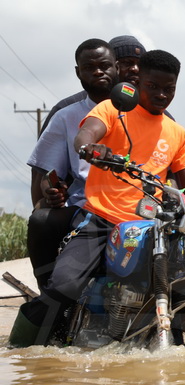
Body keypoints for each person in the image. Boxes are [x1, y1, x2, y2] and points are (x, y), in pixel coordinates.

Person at [9, 50, 185, 347]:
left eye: (169, 88)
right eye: (154, 86)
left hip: (150, 226)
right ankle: (21, 349)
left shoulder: (178, 133)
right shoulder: (113, 109)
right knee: (63, 286)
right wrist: (91, 149)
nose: (162, 94)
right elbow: (85, 135)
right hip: (100, 217)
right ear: (138, 83)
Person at [26, 38, 117, 289]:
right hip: (85, 207)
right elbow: (45, 171)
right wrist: (50, 191)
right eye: (89, 67)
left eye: (104, 65)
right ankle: (47, 296)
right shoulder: (65, 116)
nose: (98, 71)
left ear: (116, 68)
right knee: (40, 221)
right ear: (78, 72)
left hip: (135, 207)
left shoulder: (143, 113)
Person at [39, 35, 146, 135]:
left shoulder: (151, 109)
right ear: (115, 66)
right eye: (127, 63)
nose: (135, 69)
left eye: (140, 64)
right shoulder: (66, 110)